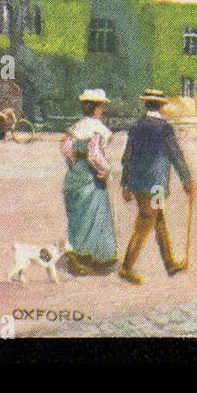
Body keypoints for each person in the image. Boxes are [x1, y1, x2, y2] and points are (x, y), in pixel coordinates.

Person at [119, 89, 193, 284]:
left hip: (138, 184)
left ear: (146, 105)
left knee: (158, 220)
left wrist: (125, 184)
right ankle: (126, 268)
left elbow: (127, 157)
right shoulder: (165, 129)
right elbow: (176, 155)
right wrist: (186, 180)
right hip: (157, 185)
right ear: (161, 107)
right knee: (145, 223)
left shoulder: (136, 128)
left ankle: (169, 262)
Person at [60, 89, 118, 276]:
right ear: (96, 108)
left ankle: (78, 255)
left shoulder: (75, 128)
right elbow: (95, 155)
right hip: (90, 179)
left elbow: (66, 150)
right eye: (101, 106)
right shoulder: (96, 129)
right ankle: (98, 260)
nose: (101, 110)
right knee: (97, 217)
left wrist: (75, 166)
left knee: (78, 217)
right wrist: (106, 171)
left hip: (75, 176)